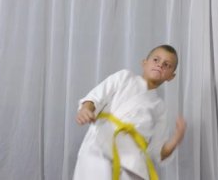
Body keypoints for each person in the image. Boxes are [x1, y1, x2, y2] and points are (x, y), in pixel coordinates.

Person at [73, 44, 186, 180]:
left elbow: (158, 152)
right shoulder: (124, 78)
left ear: (171, 76)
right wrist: (86, 109)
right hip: (99, 148)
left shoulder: (160, 108)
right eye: (156, 60)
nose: (160, 65)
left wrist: (175, 140)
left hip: (132, 162)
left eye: (167, 65)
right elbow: (96, 97)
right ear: (144, 63)